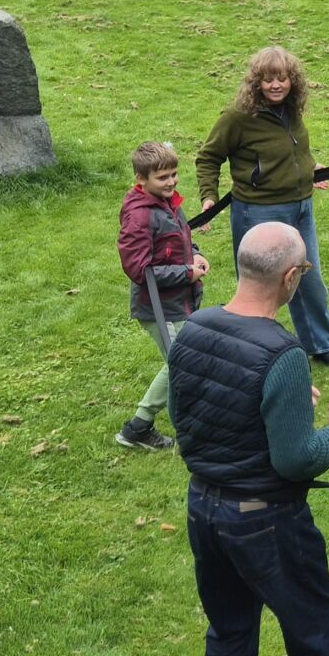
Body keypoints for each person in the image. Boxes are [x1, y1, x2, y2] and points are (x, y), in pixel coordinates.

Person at [167, 221, 329, 656]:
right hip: (264, 520)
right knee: (314, 629)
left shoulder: (194, 328)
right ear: (289, 278)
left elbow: (190, 411)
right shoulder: (282, 352)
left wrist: (279, 401)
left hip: (203, 508)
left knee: (229, 622)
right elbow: (296, 460)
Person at [196, 45, 329, 371]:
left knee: (309, 280)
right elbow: (209, 156)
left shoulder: (291, 111)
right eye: (268, 80)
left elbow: (294, 151)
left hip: (300, 208)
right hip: (259, 212)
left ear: (292, 80)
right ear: (257, 83)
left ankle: (319, 345)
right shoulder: (238, 118)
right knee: (258, 286)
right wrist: (208, 195)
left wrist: (309, 168)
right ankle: (252, 353)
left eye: (282, 78)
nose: (276, 85)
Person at [114, 139, 208, 451]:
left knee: (185, 360)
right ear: (141, 179)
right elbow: (140, 270)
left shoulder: (169, 203)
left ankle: (151, 424)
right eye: (163, 177)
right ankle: (138, 427)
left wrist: (193, 255)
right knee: (183, 362)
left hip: (180, 302)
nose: (171, 182)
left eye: (174, 174)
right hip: (157, 307)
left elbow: (181, 238)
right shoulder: (139, 217)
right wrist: (186, 273)